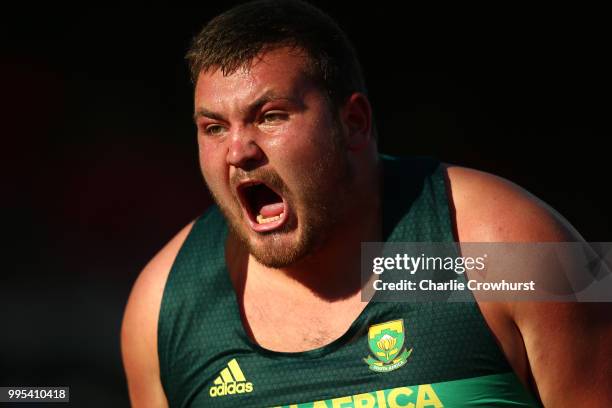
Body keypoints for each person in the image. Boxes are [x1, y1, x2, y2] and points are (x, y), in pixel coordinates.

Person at [121, 1, 612, 407]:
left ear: (353, 123)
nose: (239, 151)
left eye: (270, 116)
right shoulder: (164, 303)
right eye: (213, 127)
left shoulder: (510, 245)